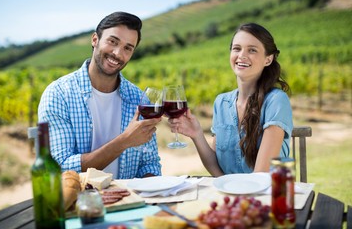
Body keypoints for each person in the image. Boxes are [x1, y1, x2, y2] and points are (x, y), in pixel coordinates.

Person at [38, 11, 162, 179]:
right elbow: (61, 167)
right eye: (113, 41)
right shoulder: (59, 95)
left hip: (129, 201)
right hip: (80, 203)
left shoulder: (138, 99)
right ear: (95, 40)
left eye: (127, 48)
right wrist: (124, 141)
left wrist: (150, 194)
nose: (118, 54)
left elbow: (150, 164)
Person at [169, 23, 293, 176]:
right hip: (231, 195)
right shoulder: (221, 103)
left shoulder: (276, 101)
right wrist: (197, 134)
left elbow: (261, 175)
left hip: (266, 196)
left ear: (268, 59)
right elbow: (217, 169)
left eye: (252, 50)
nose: (242, 55)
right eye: (237, 48)